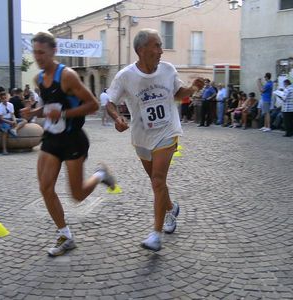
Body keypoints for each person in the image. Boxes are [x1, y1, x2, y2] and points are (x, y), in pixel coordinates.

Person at [106, 28, 205, 251]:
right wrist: (117, 118)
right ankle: (171, 207)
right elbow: (110, 101)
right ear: (141, 50)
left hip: (167, 131)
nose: (161, 51)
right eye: (157, 45)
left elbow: (178, 94)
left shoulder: (168, 70)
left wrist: (192, 88)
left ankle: (156, 233)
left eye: (161, 45)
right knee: (156, 181)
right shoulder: (125, 76)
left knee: (158, 180)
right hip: (141, 136)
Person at [20, 32, 116, 256]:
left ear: (54, 51)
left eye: (42, 52)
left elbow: (92, 105)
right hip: (52, 139)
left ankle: (101, 175)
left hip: (73, 138)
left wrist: (64, 114)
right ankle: (65, 235)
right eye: (35, 52)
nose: (38, 57)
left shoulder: (68, 76)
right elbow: (49, 106)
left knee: (77, 195)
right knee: (45, 187)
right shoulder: (39, 79)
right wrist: (32, 112)